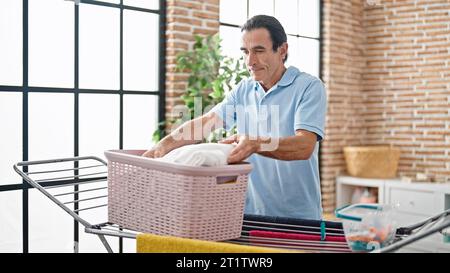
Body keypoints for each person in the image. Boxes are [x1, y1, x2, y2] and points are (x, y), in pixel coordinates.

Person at [143, 15, 327, 220]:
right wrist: (162, 147)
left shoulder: (309, 87)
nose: (250, 61)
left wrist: (256, 144)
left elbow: (304, 146)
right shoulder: (244, 89)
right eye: (245, 52)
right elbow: (207, 122)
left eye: (258, 51)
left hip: (298, 217)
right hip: (247, 214)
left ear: (282, 50)